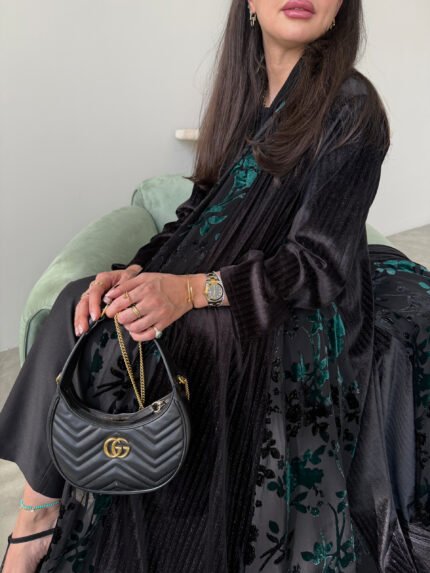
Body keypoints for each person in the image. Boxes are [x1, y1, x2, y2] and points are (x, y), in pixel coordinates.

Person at [1, 0, 430, 571]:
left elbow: (317, 267)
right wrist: (138, 271)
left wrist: (187, 293)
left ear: (340, 10)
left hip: (299, 312)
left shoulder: (352, 106)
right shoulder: (244, 95)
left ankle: (35, 531)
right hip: (231, 283)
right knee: (81, 301)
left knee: (139, 336)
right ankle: (37, 515)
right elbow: (198, 212)